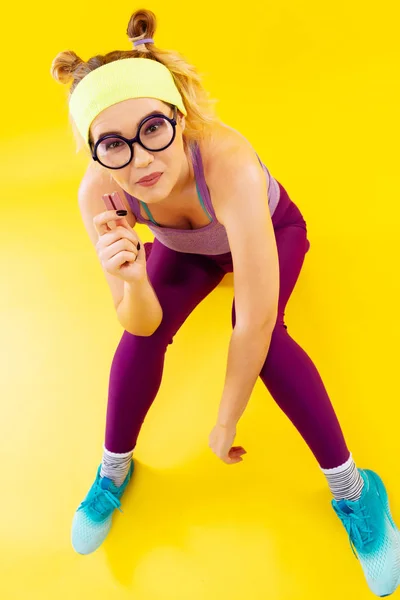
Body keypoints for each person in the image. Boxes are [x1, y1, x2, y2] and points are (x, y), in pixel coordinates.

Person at [51, 8, 400, 596]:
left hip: (272, 232)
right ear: (93, 149)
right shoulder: (98, 191)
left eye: (153, 130)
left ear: (178, 116)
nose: (139, 160)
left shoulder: (227, 160)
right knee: (138, 337)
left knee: (267, 339)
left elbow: (256, 321)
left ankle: (355, 490)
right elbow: (138, 322)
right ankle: (113, 470)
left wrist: (225, 418)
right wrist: (134, 282)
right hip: (183, 251)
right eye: (112, 144)